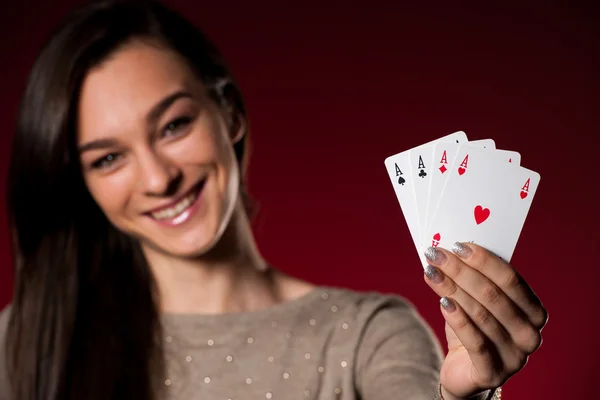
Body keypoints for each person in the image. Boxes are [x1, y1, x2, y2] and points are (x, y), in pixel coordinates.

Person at [0, 1, 548, 399]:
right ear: (83, 183)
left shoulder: (367, 336)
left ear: (230, 115)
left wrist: (462, 399)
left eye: (173, 125)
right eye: (107, 158)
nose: (157, 178)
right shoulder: (20, 341)